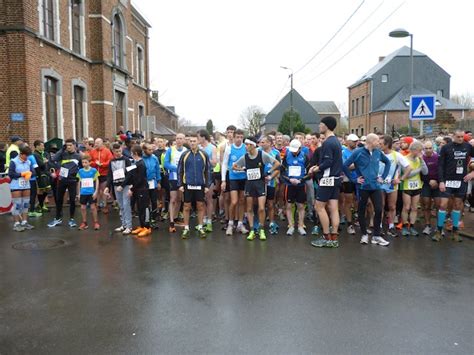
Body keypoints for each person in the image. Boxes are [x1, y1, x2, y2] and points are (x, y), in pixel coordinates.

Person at [342, 133, 391, 246]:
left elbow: (387, 162)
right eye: (377, 141)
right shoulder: (357, 152)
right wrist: (354, 179)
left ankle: (376, 236)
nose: (379, 143)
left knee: (379, 209)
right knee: (361, 210)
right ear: (371, 141)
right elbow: (345, 166)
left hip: (375, 186)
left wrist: (382, 177)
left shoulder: (378, 152)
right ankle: (364, 234)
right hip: (363, 187)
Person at [232, 136, 280, 241]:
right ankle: (253, 230)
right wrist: (243, 169)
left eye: (247, 144)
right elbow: (234, 166)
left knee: (261, 208)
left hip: (260, 184)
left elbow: (277, 163)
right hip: (249, 184)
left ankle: (261, 229)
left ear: (253, 145)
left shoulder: (262, 155)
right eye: (245, 145)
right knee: (249, 208)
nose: (245, 147)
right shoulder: (245, 157)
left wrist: (268, 172)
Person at [433, 130, 474, 242]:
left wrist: (472, 173)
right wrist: (441, 181)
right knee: (443, 205)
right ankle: (438, 230)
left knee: (457, 205)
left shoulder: (468, 147)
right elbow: (440, 165)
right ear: (453, 136)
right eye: (458, 137)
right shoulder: (446, 147)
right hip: (447, 180)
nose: (460, 138)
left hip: (461, 180)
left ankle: (455, 232)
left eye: (462, 137)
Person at [310, 116, 343, 248]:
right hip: (336, 179)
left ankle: (326, 237)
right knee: (334, 208)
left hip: (327, 179)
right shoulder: (336, 141)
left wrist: (316, 168)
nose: (319, 126)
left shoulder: (328, 142)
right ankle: (334, 238)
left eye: (321, 124)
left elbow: (328, 162)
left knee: (319, 207)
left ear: (327, 126)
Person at [177, 134, 211, 239]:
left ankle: (200, 227)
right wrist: (180, 184)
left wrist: (207, 185)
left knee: (200, 206)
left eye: (194, 141)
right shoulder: (185, 154)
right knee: (186, 206)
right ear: (189, 143)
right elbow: (180, 170)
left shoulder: (204, 154)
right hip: (188, 184)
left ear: (198, 142)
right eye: (190, 141)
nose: (192, 143)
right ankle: (186, 228)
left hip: (200, 185)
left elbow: (207, 170)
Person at [379, 135, 411, 238]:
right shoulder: (377, 154)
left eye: (381, 144)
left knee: (392, 206)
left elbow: (408, 167)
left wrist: (400, 179)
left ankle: (391, 226)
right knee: (380, 206)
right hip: (379, 184)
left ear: (387, 144)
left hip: (392, 185)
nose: (379, 145)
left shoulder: (396, 155)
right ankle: (379, 226)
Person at [47, 139, 82, 228]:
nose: (68, 147)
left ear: (74, 145)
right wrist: (62, 149)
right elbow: (54, 159)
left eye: (70, 145)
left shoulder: (78, 156)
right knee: (59, 200)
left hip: (72, 181)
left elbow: (81, 167)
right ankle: (58, 218)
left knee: (72, 200)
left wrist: (78, 177)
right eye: (67, 145)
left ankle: (72, 219)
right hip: (62, 180)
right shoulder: (63, 154)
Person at [221, 129, 249, 235]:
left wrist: (244, 168)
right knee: (234, 201)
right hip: (233, 177)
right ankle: (230, 224)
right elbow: (224, 164)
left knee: (242, 201)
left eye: (241, 137)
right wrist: (223, 180)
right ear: (233, 137)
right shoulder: (229, 148)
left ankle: (240, 224)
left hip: (243, 177)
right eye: (237, 137)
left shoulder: (246, 148)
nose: (239, 139)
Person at [281, 139, 310, 236]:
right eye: (292, 150)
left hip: (301, 185)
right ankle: (291, 225)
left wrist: (301, 180)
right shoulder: (286, 156)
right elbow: (282, 172)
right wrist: (289, 179)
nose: (293, 151)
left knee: (301, 206)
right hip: (289, 185)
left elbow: (310, 173)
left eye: (295, 150)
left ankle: (301, 225)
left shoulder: (305, 157)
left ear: (300, 148)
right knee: (289, 205)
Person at [400, 140, 428, 237]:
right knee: (406, 207)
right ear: (414, 150)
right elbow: (408, 175)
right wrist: (419, 169)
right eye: (420, 151)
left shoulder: (419, 159)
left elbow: (425, 172)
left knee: (414, 208)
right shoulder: (404, 159)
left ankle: (411, 226)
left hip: (417, 185)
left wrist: (422, 161)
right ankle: (404, 226)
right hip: (407, 186)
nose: (421, 153)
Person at [122, 145, 151, 238]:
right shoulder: (135, 163)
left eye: (131, 152)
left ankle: (147, 227)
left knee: (144, 208)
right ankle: (142, 226)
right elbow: (132, 176)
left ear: (135, 153)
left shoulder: (141, 164)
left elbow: (140, 179)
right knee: (139, 208)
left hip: (142, 189)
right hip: (138, 190)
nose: (130, 154)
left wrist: (132, 188)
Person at [104, 143, 133, 235]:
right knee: (121, 205)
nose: (118, 153)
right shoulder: (111, 161)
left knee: (126, 205)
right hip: (116, 185)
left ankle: (129, 226)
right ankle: (123, 224)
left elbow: (130, 174)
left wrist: (123, 185)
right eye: (116, 151)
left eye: (120, 151)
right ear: (113, 151)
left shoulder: (126, 160)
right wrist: (107, 187)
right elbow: (110, 175)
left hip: (125, 185)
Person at [8, 145, 36, 231]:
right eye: (26, 155)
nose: (27, 157)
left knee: (25, 204)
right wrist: (22, 174)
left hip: (26, 185)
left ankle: (24, 222)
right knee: (17, 205)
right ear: (21, 154)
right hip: (16, 185)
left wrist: (30, 173)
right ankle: (16, 224)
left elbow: (33, 172)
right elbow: (11, 174)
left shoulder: (28, 162)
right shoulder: (14, 161)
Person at [164, 133, 188, 232]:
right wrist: (177, 168)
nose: (179, 140)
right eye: (177, 138)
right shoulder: (170, 150)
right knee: (173, 199)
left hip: (183, 178)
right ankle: (171, 221)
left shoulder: (186, 151)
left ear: (184, 140)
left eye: (181, 138)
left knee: (179, 199)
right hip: (173, 177)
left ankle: (176, 218)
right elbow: (166, 163)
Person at [260, 135, 281, 234]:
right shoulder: (258, 152)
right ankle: (260, 224)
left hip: (270, 182)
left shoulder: (275, 153)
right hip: (259, 182)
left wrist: (270, 177)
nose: (261, 144)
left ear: (269, 143)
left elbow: (278, 169)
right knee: (260, 204)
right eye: (261, 142)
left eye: (263, 142)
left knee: (270, 203)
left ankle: (272, 223)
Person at [198, 129, 217, 232]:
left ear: (203, 137)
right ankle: (203, 220)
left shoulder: (212, 148)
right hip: (198, 175)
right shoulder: (198, 147)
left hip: (208, 174)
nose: (197, 139)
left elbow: (214, 163)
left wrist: (204, 158)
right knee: (201, 199)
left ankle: (209, 221)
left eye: (198, 137)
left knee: (209, 198)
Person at [341, 134, 359, 235]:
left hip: (359, 178)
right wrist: (358, 164)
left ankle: (357, 220)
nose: (355, 143)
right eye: (353, 141)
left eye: (356, 141)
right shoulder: (343, 152)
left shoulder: (359, 151)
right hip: (347, 179)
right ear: (347, 142)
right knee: (348, 201)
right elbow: (345, 167)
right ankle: (349, 224)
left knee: (358, 200)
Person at [89, 138, 113, 213]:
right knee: (97, 190)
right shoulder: (92, 151)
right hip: (95, 174)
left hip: (104, 173)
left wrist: (102, 164)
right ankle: (98, 205)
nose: (96, 144)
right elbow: (89, 161)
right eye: (95, 143)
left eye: (98, 143)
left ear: (102, 143)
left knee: (103, 190)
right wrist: (95, 163)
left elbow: (110, 161)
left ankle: (105, 205)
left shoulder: (107, 151)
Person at [421, 140, 440, 235]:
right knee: (426, 205)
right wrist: (428, 181)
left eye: (430, 148)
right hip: (426, 184)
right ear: (423, 149)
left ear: (433, 148)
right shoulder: (421, 158)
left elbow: (441, 171)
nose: (428, 150)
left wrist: (437, 181)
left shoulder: (438, 157)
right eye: (426, 148)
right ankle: (427, 225)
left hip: (437, 184)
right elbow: (420, 173)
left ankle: (439, 226)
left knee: (438, 206)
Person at [77, 155, 100, 230]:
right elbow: (79, 182)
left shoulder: (94, 170)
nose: (84, 164)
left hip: (91, 192)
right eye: (83, 162)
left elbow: (97, 180)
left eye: (86, 162)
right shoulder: (80, 171)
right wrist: (79, 193)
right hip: (83, 192)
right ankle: (84, 223)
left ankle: (96, 222)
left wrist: (96, 191)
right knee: (83, 207)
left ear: (89, 163)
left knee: (93, 207)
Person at [143, 143, 161, 228]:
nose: (151, 151)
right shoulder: (141, 158)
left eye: (152, 149)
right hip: (144, 183)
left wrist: (158, 182)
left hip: (153, 182)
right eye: (149, 150)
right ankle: (146, 220)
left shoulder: (154, 158)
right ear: (144, 150)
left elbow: (157, 170)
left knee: (154, 201)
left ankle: (153, 219)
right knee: (145, 202)